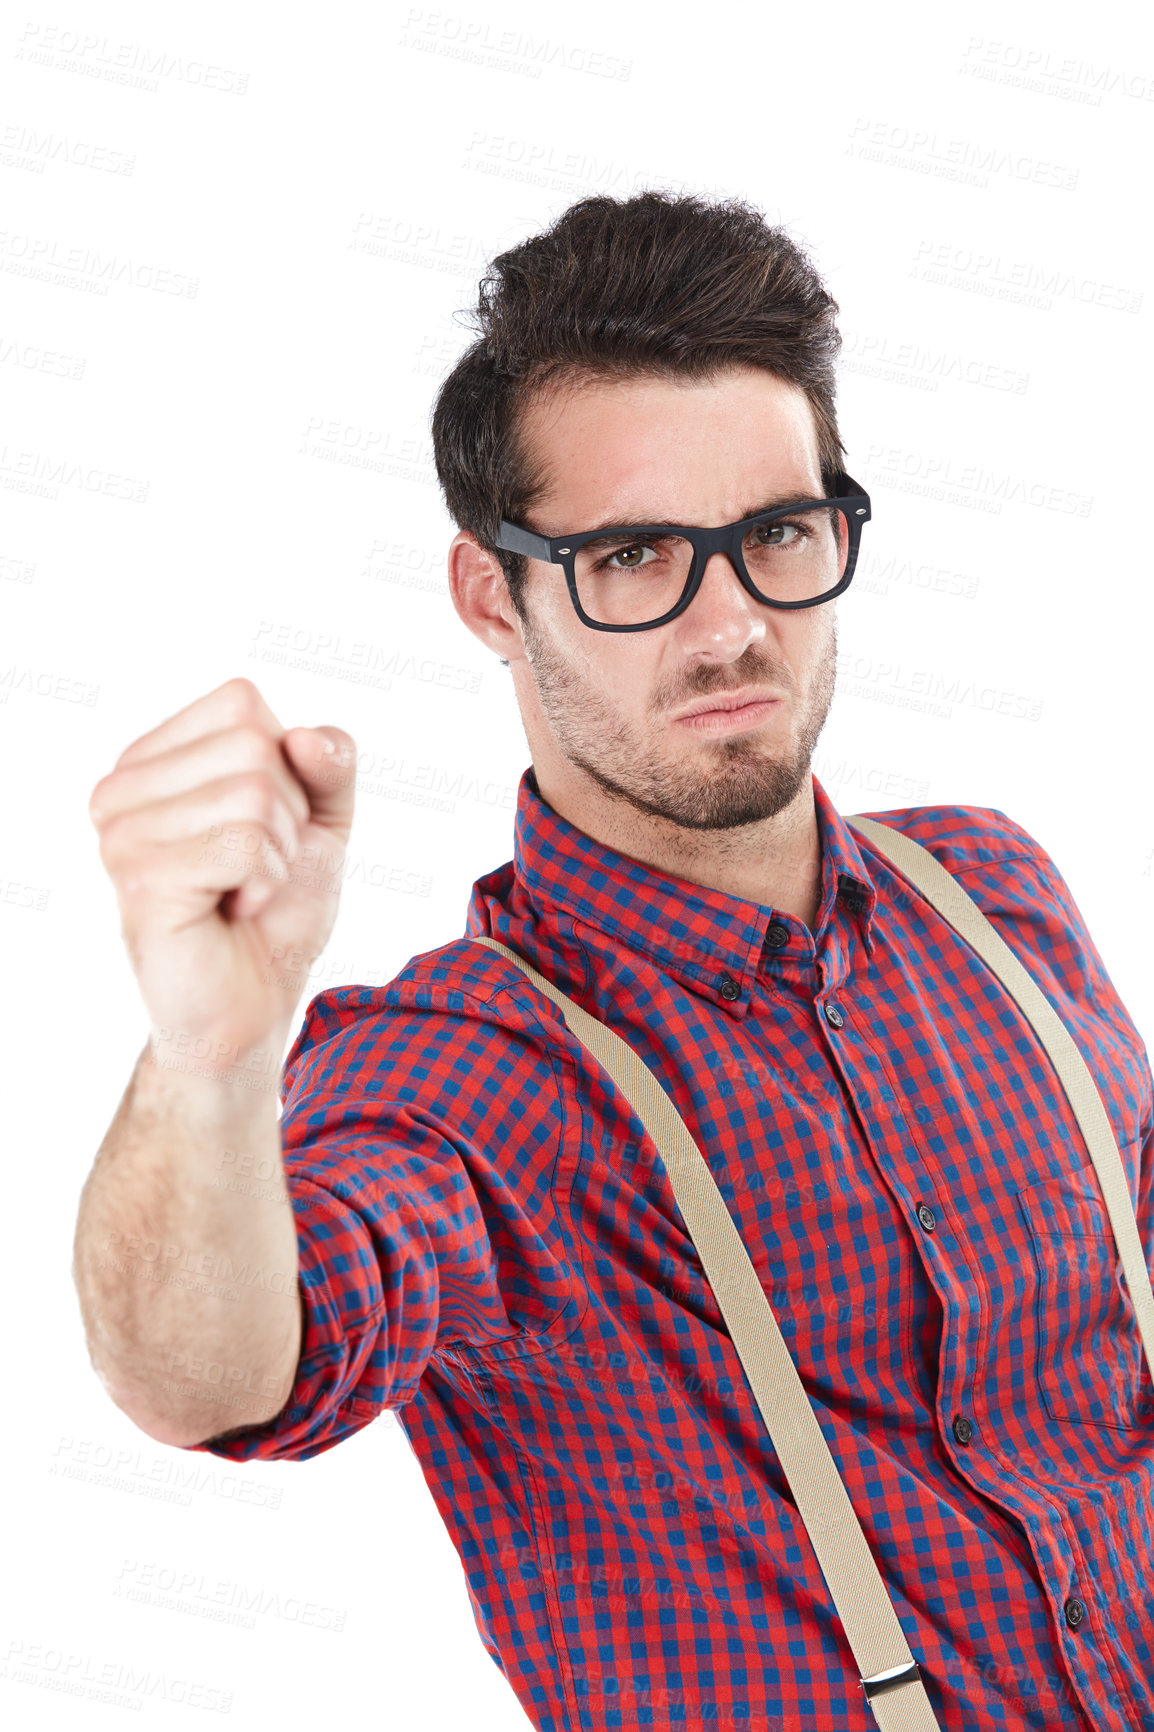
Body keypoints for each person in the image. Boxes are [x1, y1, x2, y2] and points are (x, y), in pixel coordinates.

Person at [75, 191, 1153, 1732]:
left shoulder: (995, 890)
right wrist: (210, 1065)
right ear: (487, 597)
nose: (729, 629)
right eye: (635, 556)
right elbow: (215, 1381)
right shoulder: (459, 1075)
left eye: (778, 534)